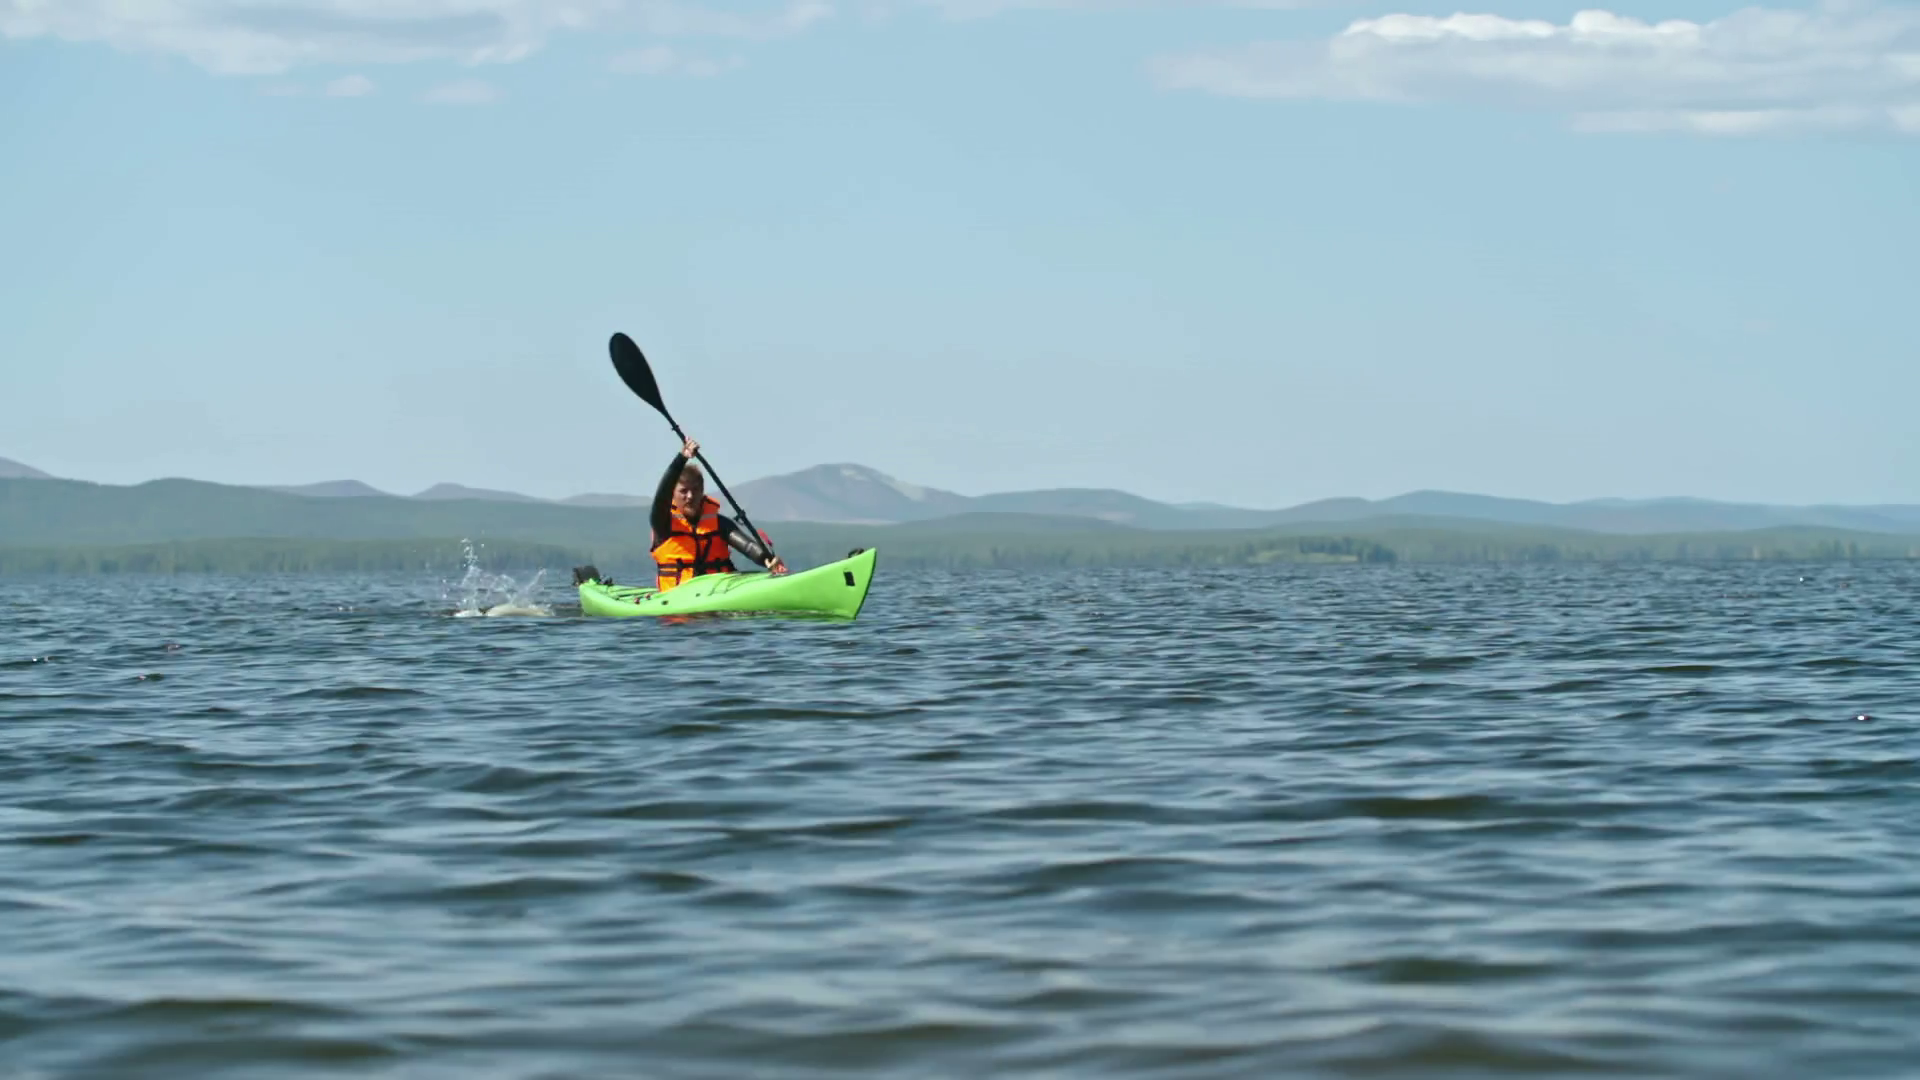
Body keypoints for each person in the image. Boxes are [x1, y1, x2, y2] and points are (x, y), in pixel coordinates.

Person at [649, 436, 786, 591]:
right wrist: (681, 459)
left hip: (721, 590)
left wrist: (767, 560)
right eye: (683, 491)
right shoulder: (663, 523)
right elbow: (661, 497)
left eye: (695, 490)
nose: (690, 496)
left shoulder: (718, 523)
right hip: (677, 598)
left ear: (702, 492)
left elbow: (748, 546)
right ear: (673, 494)